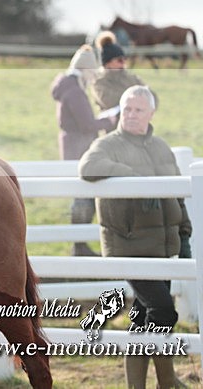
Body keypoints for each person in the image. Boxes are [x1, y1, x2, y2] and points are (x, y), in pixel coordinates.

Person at [79, 85, 191, 389]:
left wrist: (185, 234)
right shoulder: (109, 144)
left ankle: (143, 385)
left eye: (138, 109)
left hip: (161, 247)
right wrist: (133, 177)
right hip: (127, 246)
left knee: (143, 317)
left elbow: (178, 194)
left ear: (151, 113)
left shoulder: (161, 147)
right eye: (126, 108)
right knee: (163, 310)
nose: (130, 114)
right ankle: (167, 382)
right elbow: (87, 167)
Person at [50, 44, 116, 256]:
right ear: (86, 70)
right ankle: (79, 246)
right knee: (83, 196)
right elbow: (87, 124)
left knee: (83, 195)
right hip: (79, 146)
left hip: (75, 145)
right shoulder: (75, 91)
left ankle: (80, 245)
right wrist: (111, 120)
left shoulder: (69, 87)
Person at [91, 31, 147, 123]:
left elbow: (150, 96)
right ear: (108, 63)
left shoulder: (131, 77)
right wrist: (137, 98)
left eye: (124, 59)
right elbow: (110, 101)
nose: (123, 63)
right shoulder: (99, 82)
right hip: (112, 130)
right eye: (119, 60)